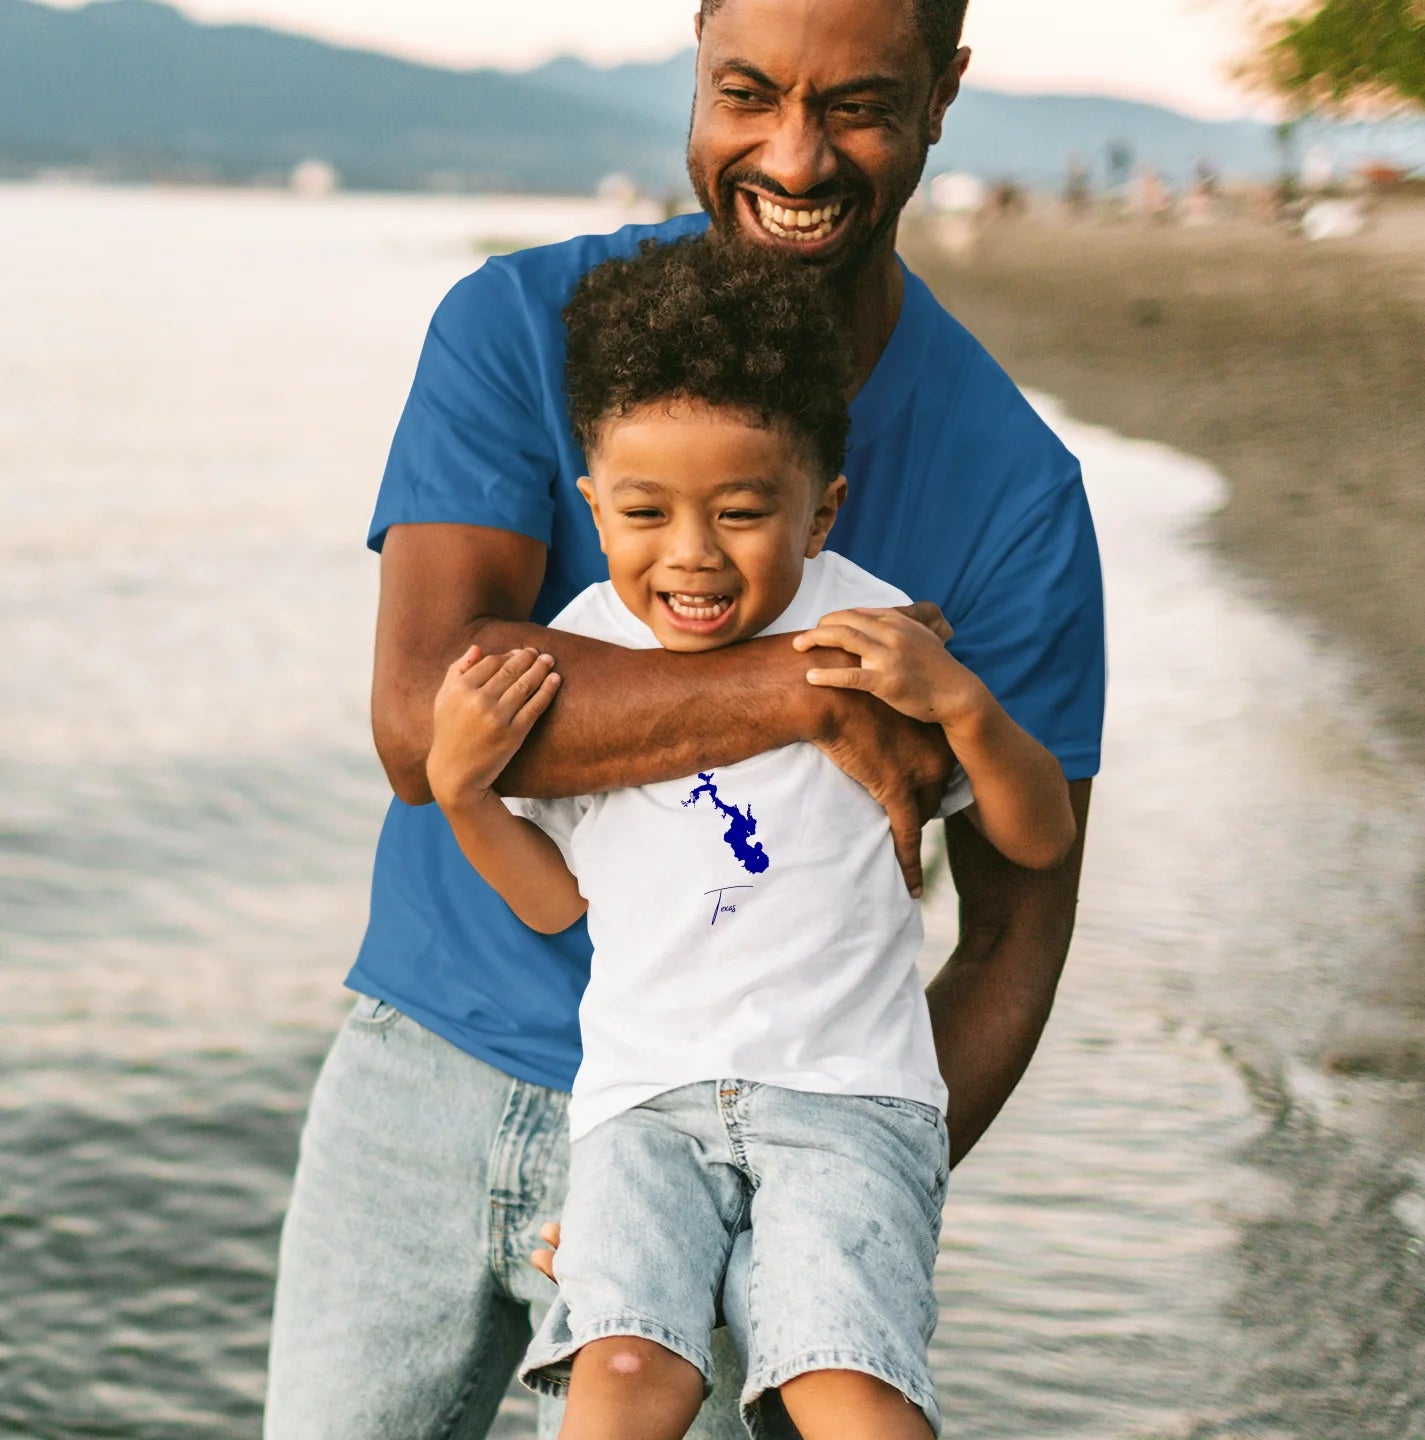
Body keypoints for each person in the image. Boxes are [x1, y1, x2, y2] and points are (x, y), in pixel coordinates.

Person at [263, 1, 1106, 1436]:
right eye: (747, 92)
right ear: (697, 68)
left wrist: (832, 1199)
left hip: (757, 1136)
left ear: (945, 92)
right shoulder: (517, 329)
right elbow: (422, 725)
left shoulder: (1015, 489)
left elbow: (1019, 923)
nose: (793, 153)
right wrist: (805, 691)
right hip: (427, 1073)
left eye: (855, 104)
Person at [425, 236, 1077, 1440]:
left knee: (845, 1385)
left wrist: (967, 709)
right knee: (621, 1378)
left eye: (740, 511)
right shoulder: (575, 653)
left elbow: (1034, 841)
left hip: (847, 1098)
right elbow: (554, 903)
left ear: (820, 507)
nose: (692, 553)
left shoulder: (879, 637)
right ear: (592, 506)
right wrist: (465, 796)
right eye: (644, 512)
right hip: (645, 1106)